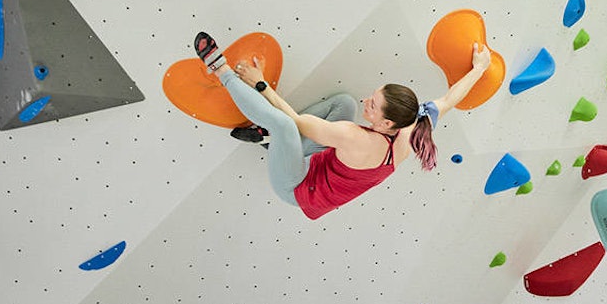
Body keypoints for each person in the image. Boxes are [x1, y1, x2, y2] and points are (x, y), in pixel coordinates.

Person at [193, 31, 491, 220]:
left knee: (284, 126)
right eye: (373, 95)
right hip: (318, 164)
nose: (367, 101)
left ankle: (221, 70)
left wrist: (258, 82)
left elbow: (294, 120)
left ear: (387, 123)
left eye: (372, 106)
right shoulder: (412, 126)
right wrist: (479, 68)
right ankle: (271, 144)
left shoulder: (356, 139)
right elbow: (449, 100)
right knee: (345, 104)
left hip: (296, 186)